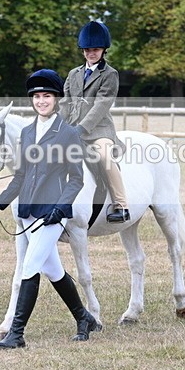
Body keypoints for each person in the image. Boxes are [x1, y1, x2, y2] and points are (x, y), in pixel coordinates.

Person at [0, 68, 101, 349]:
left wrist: (60, 207)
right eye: (37, 97)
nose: (41, 101)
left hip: (52, 213)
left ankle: (16, 334)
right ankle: (84, 318)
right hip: (28, 212)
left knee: (30, 266)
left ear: (56, 99)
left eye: (47, 96)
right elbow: (21, 176)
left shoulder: (67, 133)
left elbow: (77, 179)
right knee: (54, 271)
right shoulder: (27, 132)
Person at [61, 21, 130, 223]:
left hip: (98, 131)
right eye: (88, 50)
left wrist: (81, 129)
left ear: (103, 50)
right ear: (83, 50)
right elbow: (65, 103)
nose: (91, 53)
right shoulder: (73, 74)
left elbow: (101, 105)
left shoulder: (110, 74)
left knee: (104, 156)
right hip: (73, 128)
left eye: (96, 50)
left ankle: (121, 205)